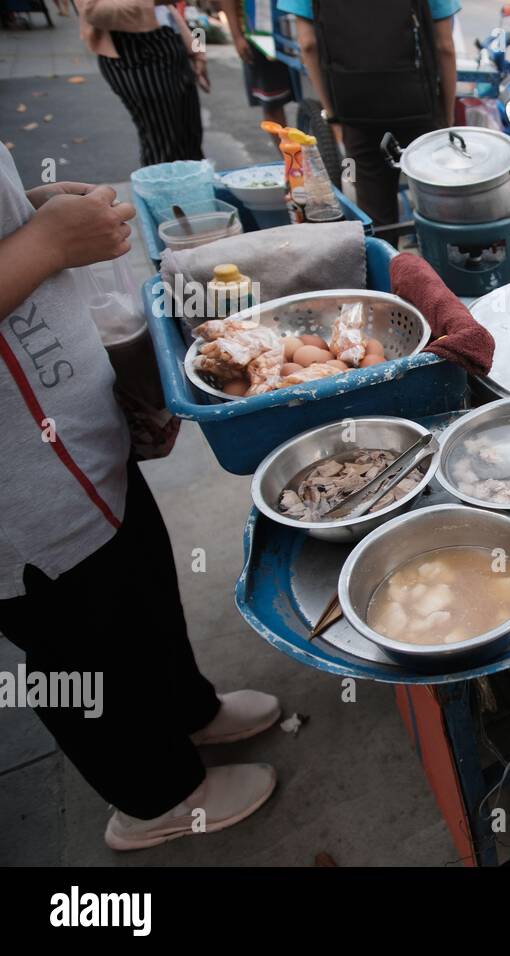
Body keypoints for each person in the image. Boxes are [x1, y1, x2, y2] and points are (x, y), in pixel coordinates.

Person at [0, 150, 281, 851]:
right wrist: (44, 244)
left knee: (139, 582)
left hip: (74, 442)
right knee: (78, 644)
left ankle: (186, 707)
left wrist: (25, 207)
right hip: (19, 503)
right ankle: (153, 797)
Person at [284, 0, 459, 226]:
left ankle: (386, 258)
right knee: (438, 212)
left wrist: (334, 113)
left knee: (376, 217)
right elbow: (444, 46)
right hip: (420, 108)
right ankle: (434, 257)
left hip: (356, 113)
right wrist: (447, 116)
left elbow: (308, 44)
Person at [81, 0, 208, 166]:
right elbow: (92, 12)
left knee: (191, 139)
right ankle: (162, 191)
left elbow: (168, 10)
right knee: (164, 144)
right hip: (133, 50)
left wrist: (196, 51)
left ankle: (196, 188)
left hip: (171, 41)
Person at [217, 0, 296, 139]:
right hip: (261, 35)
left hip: (298, 24)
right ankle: (291, 156)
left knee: (317, 98)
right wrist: (237, 36)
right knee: (272, 103)